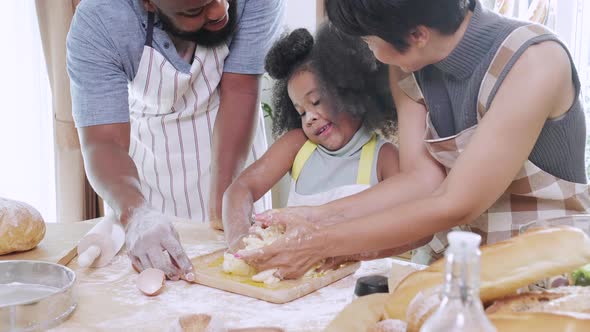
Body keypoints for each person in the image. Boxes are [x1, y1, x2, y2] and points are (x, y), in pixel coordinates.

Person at [238, 0, 589, 278]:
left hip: (550, 270)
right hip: (463, 267)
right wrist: (316, 217)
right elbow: (421, 181)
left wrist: (322, 242)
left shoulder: (534, 60)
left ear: (417, 34)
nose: (371, 52)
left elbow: (457, 202)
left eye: (370, 41)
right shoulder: (407, 67)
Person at [66, 0, 285, 280]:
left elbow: (241, 91)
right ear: (148, 3)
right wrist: (137, 214)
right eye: (194, 10)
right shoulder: (101, 19)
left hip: (235, 166)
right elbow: (104, 142)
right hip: (148, 178)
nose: (220, 12)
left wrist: (225, 205)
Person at [223, 26, 400, 262]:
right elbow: (240, 189)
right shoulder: (298, 146)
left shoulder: (384, 157)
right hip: (295, 280)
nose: (310, 117)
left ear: (350, 90)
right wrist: (241, 241)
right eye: (301, 112)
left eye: (316, 101)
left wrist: (344, 254)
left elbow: (415, 231)